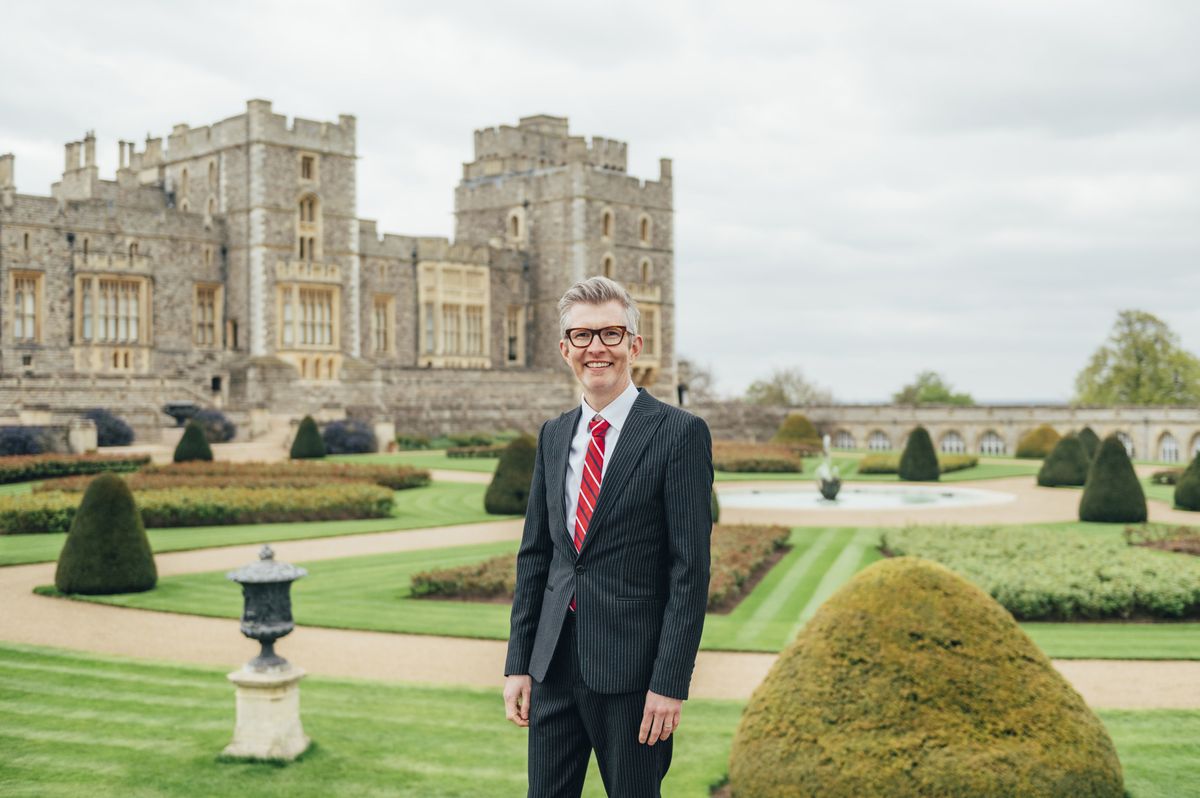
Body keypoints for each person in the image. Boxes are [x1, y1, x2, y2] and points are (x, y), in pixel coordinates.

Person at [503, 276, 713, 797]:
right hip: (552, 666)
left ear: (634, 346)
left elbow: (690, 571)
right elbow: (537, 557)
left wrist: (669, 682)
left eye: (611, 334)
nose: (596, 348)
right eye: (581, 336)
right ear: (564, 349)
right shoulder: (554, 435)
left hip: (633, 674)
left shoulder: (679, 434)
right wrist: (518, 664)